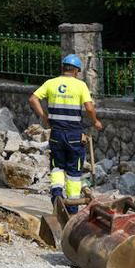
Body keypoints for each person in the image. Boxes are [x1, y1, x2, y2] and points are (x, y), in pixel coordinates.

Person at [29, 54, 104, 213]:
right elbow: (89, 108)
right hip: (74, 135)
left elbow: (33, 99)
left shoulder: (51, 83)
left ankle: (56, 196)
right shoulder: (80, 85)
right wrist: (95, 121)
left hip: (56, 133)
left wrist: (44, 117)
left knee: (57, 166)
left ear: (63, 68)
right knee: (74, 172)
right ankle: (72, 209)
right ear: (76, 71)